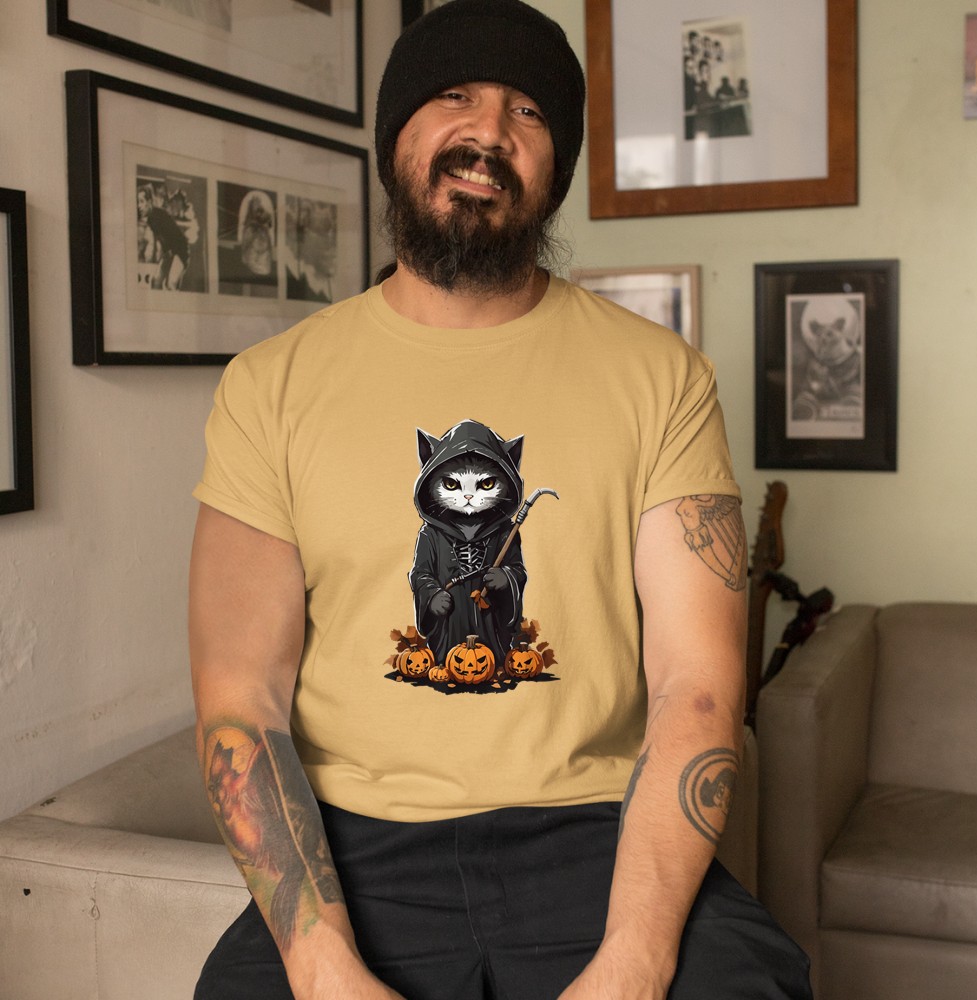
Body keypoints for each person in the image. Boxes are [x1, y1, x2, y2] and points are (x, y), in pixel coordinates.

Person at [188, 2, 813, 998]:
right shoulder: (270, 386)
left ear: (555, 168)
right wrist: (321, 966)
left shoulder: (662, 377)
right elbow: (240, 699)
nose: (488, 132)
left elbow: (696, 685)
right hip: (357, 844)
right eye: (453, 97)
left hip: (595, 831)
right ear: (395, 137)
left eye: (527, 111)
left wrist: (635, 961)